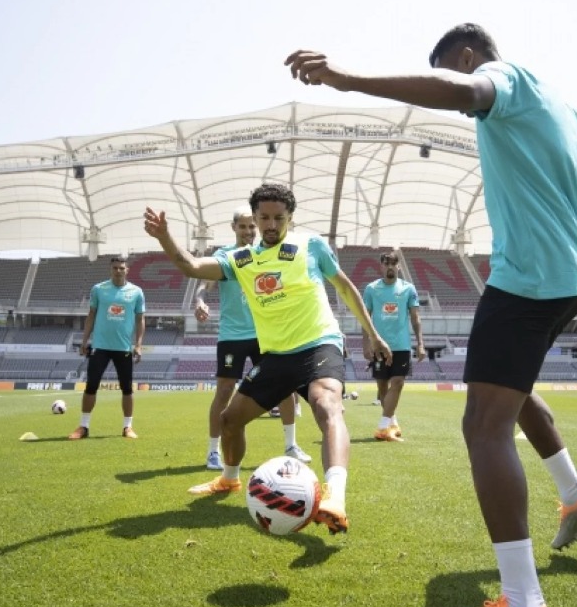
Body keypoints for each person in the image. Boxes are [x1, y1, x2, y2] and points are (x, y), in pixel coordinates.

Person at [285, 24, 577, 607]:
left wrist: (345, 78)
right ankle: (574, 495)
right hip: (566, 279)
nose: (463, 84)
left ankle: (523, 606)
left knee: (483, 424)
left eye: (456, 68)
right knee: (511, 389)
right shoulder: (561, 106)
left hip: (527, 281)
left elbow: (458, 90)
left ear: (469, 55)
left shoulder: (506, 80)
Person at [144, 182, 393, 535]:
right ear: (256, 218)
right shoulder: (241, 259)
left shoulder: (311, 245)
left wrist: (373, 333)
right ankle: (229, 479)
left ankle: (335, 497)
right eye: (264, 218)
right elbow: (191, 266)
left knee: (327, 407)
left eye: (279, 217)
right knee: (231, 420)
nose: (271, 224)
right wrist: (165, 236)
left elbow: (344, 286)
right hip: (276, 355)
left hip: (318, 343)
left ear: (290, 217)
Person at [194, 210, 311, 470]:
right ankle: (213, 452)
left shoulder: (266, 252)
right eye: (243, 226)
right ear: (233, 227)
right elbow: (205, 283)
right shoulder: (224, 256)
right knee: (224, 391)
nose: (248, 231)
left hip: (266, 334)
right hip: (232, 335)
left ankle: (291, 445)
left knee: (284, 386)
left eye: (251, 226)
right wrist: (200, 300)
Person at [70, 255, 145, 440]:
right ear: (110, 269)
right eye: (115, 268)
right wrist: (85, 340)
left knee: (127, 389)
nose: (118, 271)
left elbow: (140, 319)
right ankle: (83, 427)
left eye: (122, 268)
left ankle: (127, 427)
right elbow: (91, 314)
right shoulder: (99, 289)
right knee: (91, 386)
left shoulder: (136, 292)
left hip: (124, 347)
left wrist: (139, 345)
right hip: (100, 346)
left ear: (127, 270)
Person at [362, 251, 425, 442]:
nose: (390, 266)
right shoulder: (372, 289)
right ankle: (393, 423)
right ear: (381, 266)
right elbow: (365, 318)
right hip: (380, 346)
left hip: (401, 346)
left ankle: (382, 428)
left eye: (393, 263)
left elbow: (415, 318)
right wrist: (367, 343)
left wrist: (420, 344)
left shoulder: (408, 289)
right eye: (386, 263)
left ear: (398, 266)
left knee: (398, 382)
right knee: (382, 387)